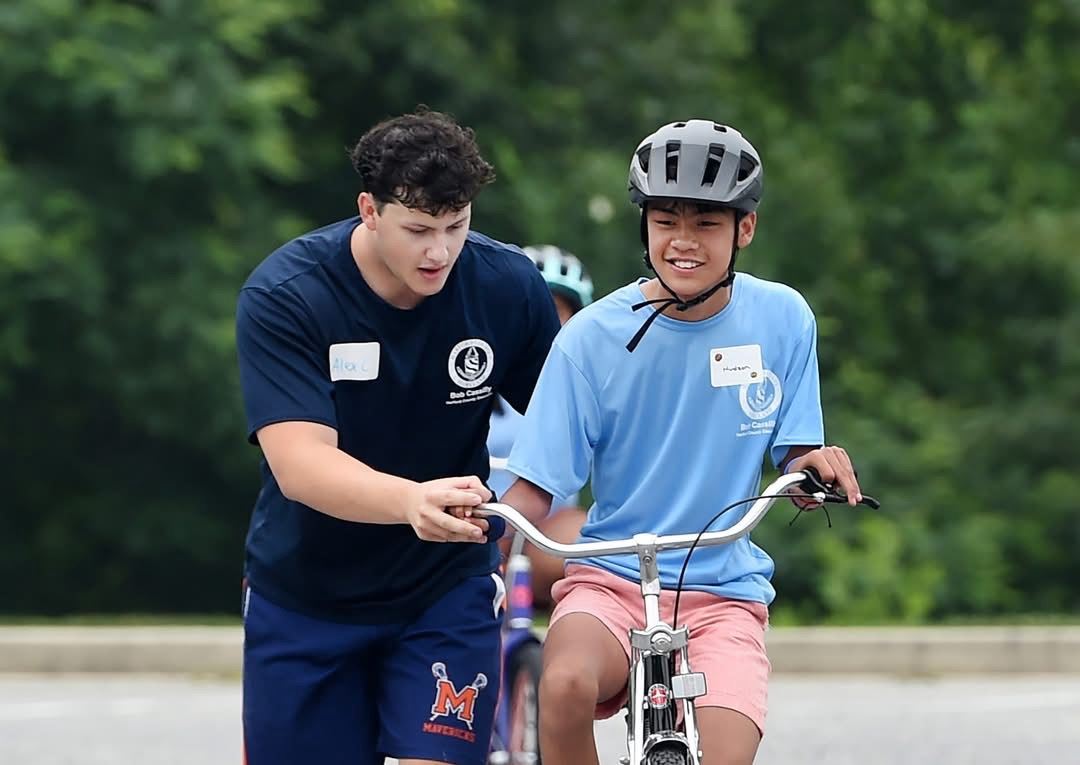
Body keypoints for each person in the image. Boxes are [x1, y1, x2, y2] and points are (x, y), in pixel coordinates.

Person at [496, 119, 862, 765]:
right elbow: (534, 488)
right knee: (564, 685)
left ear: (744, 229)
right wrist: (481, 550)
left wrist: (813, 471)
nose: (683, 242)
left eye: (707, 224)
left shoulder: (782, 316)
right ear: (644, 228)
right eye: (666, 221)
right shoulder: (588, 338)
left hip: (723, 589)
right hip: (609, 579)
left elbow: (795, 450)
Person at [234, 107, 561, 765]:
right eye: (417, 229)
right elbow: (300, 464)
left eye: (455, 226)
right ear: (369, 210)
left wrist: (517, 514)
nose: (438, 251)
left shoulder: (507, 287)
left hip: (444, 593)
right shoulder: (288, 295)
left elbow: (569, 428)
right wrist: (411, 502)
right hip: (306, 597)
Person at [486, 245, 594, 607]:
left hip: (546, 530)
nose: (544, 324)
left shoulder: (586, 387)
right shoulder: (470, 376)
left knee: (590, 543)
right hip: (476, 521)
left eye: (557, 313)